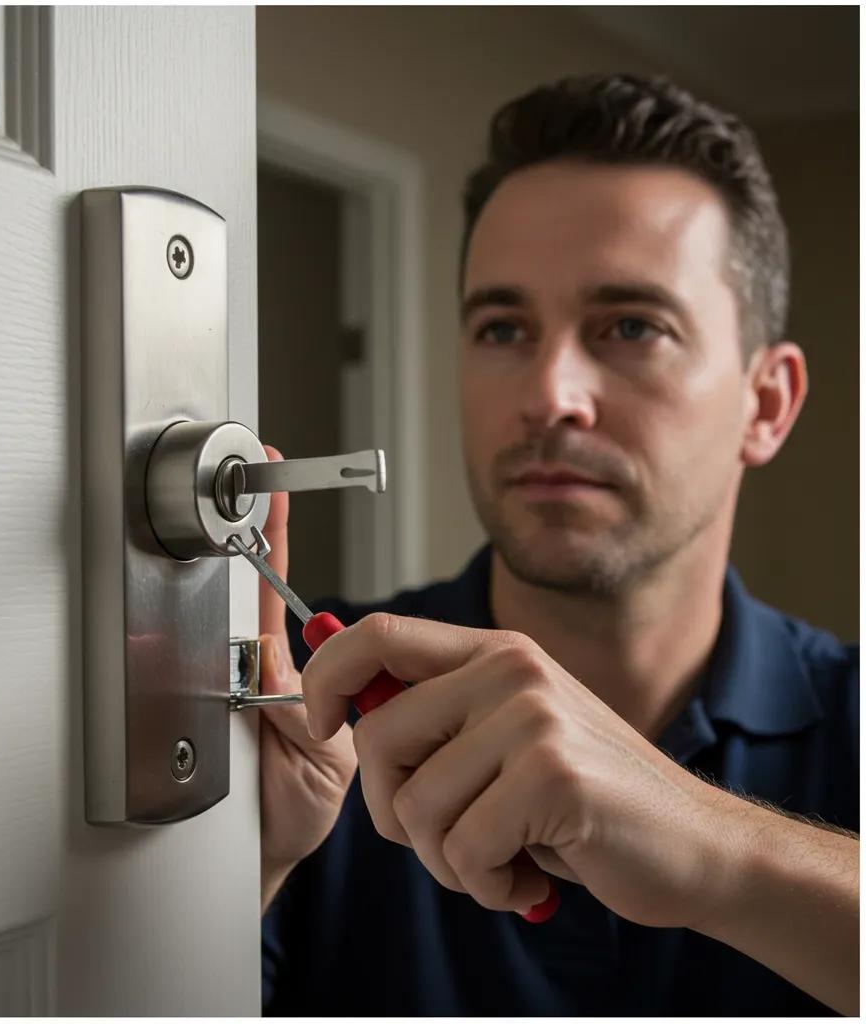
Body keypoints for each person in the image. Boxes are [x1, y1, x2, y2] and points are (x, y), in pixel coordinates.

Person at [257, 73, 858, 1016]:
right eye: (503, 327)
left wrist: (715, 846)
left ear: (767, 403)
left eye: (630, 326)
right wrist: (227, 881)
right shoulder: (306, 721)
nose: (549, 394)